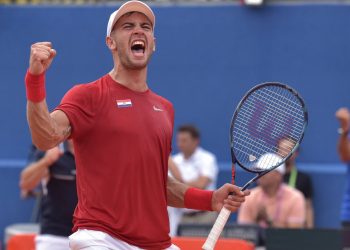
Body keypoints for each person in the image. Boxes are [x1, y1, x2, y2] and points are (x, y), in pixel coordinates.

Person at [24, 1, 250, 249]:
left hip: (157, 243)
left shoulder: (165, 109)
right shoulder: (87, 96)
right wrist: (35, 80)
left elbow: (160, 185)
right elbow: (45, 138)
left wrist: (210, 199)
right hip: (101, 238)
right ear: (110, 42)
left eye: (145, 26)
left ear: (153, 42)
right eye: (127, 26)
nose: (138, 31)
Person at [19, 141, 76, 250]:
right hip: (54, 236)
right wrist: (47, 161)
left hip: (89, 235)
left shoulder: (95, 152)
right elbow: (25, 184)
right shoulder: (50, 149)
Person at [168, 125, 219, 236]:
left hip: (205, 217)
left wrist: (169, 162)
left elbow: (201, 185)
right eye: (178, 140)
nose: (180, 144)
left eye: (184, 140)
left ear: (196, 141)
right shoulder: (174, 161)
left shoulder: (208, 159)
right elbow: (170, 188)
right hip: (181, 217)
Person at [238, 153, 305, 228]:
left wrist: (268, 221)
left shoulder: (295, 198)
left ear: (278, 175)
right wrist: (256, 221)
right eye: (258, 170)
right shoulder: (249, 197)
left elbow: (294, 234)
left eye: (264, 171)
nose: (259, 174)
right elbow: (243, 231)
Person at [277, 137, 314, 228]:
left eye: (288, 150)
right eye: (281, 150)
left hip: (294, 229)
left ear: (296, 153)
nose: (284, 154)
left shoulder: (304, 179)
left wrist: (310, 229)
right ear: (276, 153)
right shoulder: (268, 177)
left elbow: (308, 207)